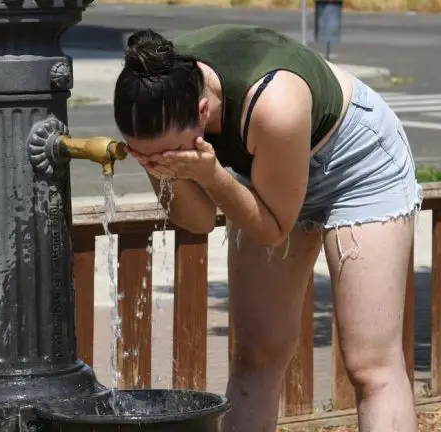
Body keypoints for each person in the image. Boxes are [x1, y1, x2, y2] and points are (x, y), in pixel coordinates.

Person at [113, 24, 421, 432]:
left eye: (170, 153)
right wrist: (165, 169)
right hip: (268, 168)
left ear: (203, 112)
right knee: (257, 352)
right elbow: (198, 221)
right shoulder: (154, 90)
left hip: (355, 163)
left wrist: (211, 176)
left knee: (369, 363)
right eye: (146, 156)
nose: (161, 161)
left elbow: (274, 229)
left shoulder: (275, 105)